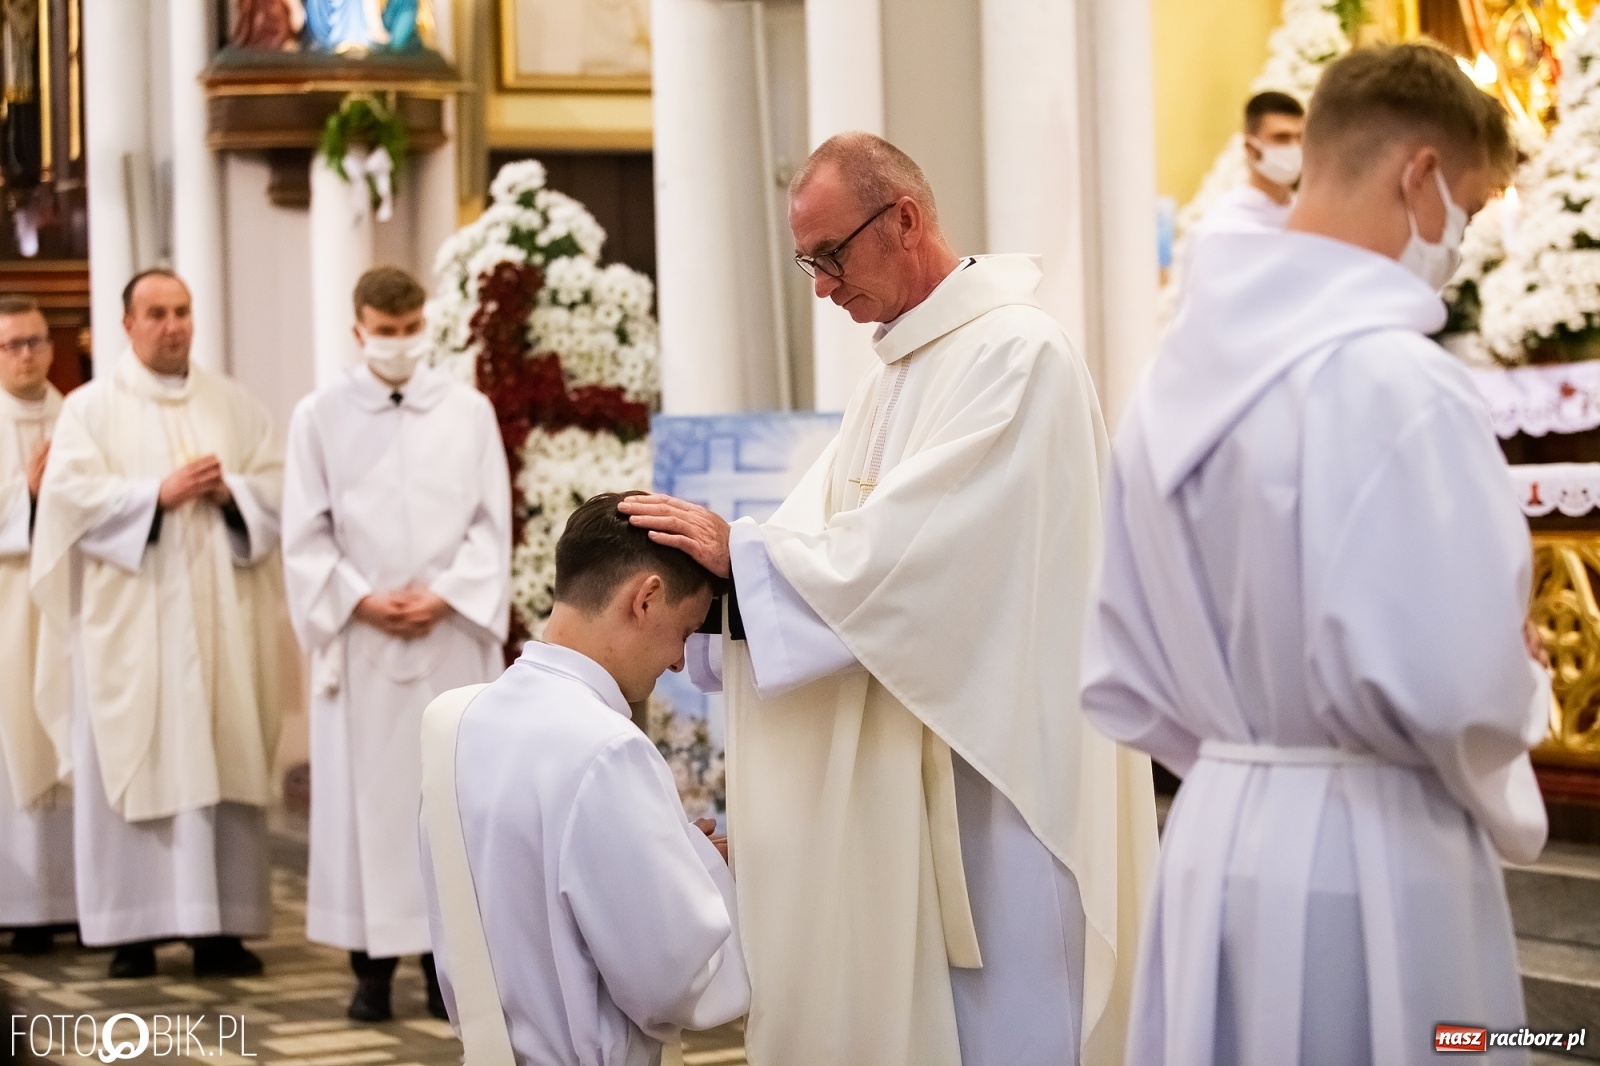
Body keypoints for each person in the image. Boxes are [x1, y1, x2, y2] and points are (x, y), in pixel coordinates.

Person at [621, 133, 1157, 1066]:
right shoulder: (900, 368)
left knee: (1019, 1017)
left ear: (903, 220)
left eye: (830, 256)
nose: (823, 288)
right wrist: (721, 583)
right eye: (808, 262)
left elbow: (924, 553)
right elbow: (820, 529)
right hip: (920, 776)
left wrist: (746, 563)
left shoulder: (1016, 356)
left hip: (1006, 775)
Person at [1081, 43, 1546, 1065]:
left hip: (1212, 835)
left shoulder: (1164, 391)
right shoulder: (1399, 385)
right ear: (1417, 175)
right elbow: (1461, 687)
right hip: (1374, 855)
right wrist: (1521, 684)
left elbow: (1120, 664)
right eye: (1464, 210)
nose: (1457, 243)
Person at [419, 491, 749, 1065]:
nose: (678, 661)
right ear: (645, 599)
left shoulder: (461, 720)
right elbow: (673, 981)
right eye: (686, 628)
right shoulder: (609, 749)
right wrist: (703, 869)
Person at [31, 269, 286, 979]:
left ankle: (221, 930)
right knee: (140, 752)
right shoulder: (89, 408)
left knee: (222, 749)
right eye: (157, 313)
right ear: (127, 324)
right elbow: (68, 499)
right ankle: (131, 931)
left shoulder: (232, 403)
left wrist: (234, 494)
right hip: (134, 623)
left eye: (182, 311)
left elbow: (276, 485)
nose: (173, 325)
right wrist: (157, 495)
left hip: (221, 625)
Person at [283, 266, 511, 1022]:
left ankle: (446, 970)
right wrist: (358, 596)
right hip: (363, 638)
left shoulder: (467, 411)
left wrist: (447, 592)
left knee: (447, 798)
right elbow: (305, 529)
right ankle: (371, 970)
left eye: (410, 329)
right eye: (385, 332)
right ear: (359, 331)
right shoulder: (319, 416)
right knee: (368, 810)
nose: (398, 344)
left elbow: (491, 522)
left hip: (449, 632)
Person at [0, 295, 74, 954]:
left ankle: (73, 901)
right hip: (7, 612)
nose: (28, 355)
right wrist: (25, 490)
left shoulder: (76, 418)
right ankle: (19, 905)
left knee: (65, 737)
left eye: (36, 342)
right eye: (13, 345)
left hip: (67, 612)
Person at [1194, 90, 1306, 236]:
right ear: (1251, 147)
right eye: (1281, 137)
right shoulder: (1223, 224)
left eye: (1300, 138)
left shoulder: (1308, 215)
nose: (1295, 147)